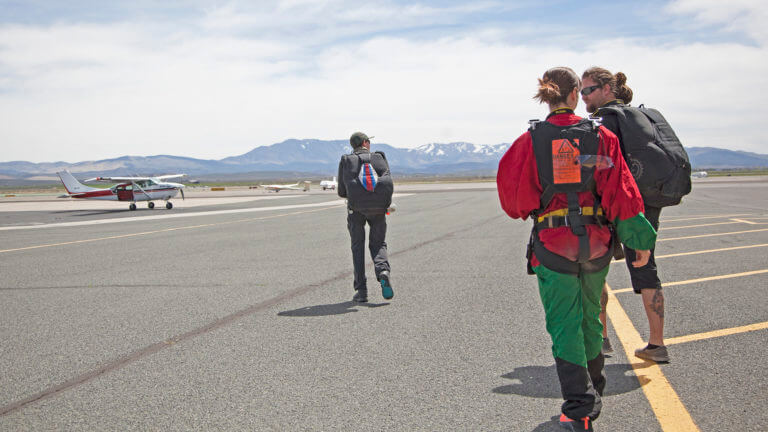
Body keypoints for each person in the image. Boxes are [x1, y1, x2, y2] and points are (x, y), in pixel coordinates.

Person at [497, 67, 656, 431]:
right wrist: (639, 242)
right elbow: (622, 191)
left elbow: (514, 201)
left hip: (553, 246)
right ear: (573, 97)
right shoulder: (601, 137)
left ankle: (580, 407)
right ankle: (593, 390)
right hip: (597, 244)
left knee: (564, 323)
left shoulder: (529, 141)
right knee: (589, 317)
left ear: (548, 97)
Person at [581, 67, 668, 363]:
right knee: (646, 268)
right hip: (646, 204)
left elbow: (600, 162)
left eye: (587, 90)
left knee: (595, 267)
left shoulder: (605, 120)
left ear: (607, 89)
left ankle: (601, 338)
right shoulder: (639, 119)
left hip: (615, 202)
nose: (583, 97)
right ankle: (657, 344)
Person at [337, 132, 394, 303]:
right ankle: (382, 271)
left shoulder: (347, 160)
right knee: (378, 244)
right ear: (365, 143)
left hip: (356, 210)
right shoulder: (379, 157)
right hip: (379, 209)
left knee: (357, 248)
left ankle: (361, 292)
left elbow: (341, 191)